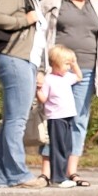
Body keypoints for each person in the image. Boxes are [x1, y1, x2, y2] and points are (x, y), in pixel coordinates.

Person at [39, 0, 98, 185]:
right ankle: (47, 170)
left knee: (78, 121)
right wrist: (39, 69)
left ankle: (70, 171)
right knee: (53, 119)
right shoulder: (54, 3)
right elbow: (38, 32)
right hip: (57, 72)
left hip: (86, 71)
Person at [0, 0, 51, 189]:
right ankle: (18, 175)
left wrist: (39, 69)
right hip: (15, 60)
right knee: (17, 120)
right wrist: (25, 19)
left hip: (26, 63)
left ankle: (5, 176)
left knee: (11, 121)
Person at [37, 46, 83, 187]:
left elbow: (79, 77)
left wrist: (74, 63)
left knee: (67, 148)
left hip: (68, 117)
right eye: (66, 64)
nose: (69, 68)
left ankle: (62, 176)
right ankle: (58, 178)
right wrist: (38, 88)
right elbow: (43, 99)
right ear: (55, 64)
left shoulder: (66, 77)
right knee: (58, 149)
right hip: (56, 118)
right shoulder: (49, 79)